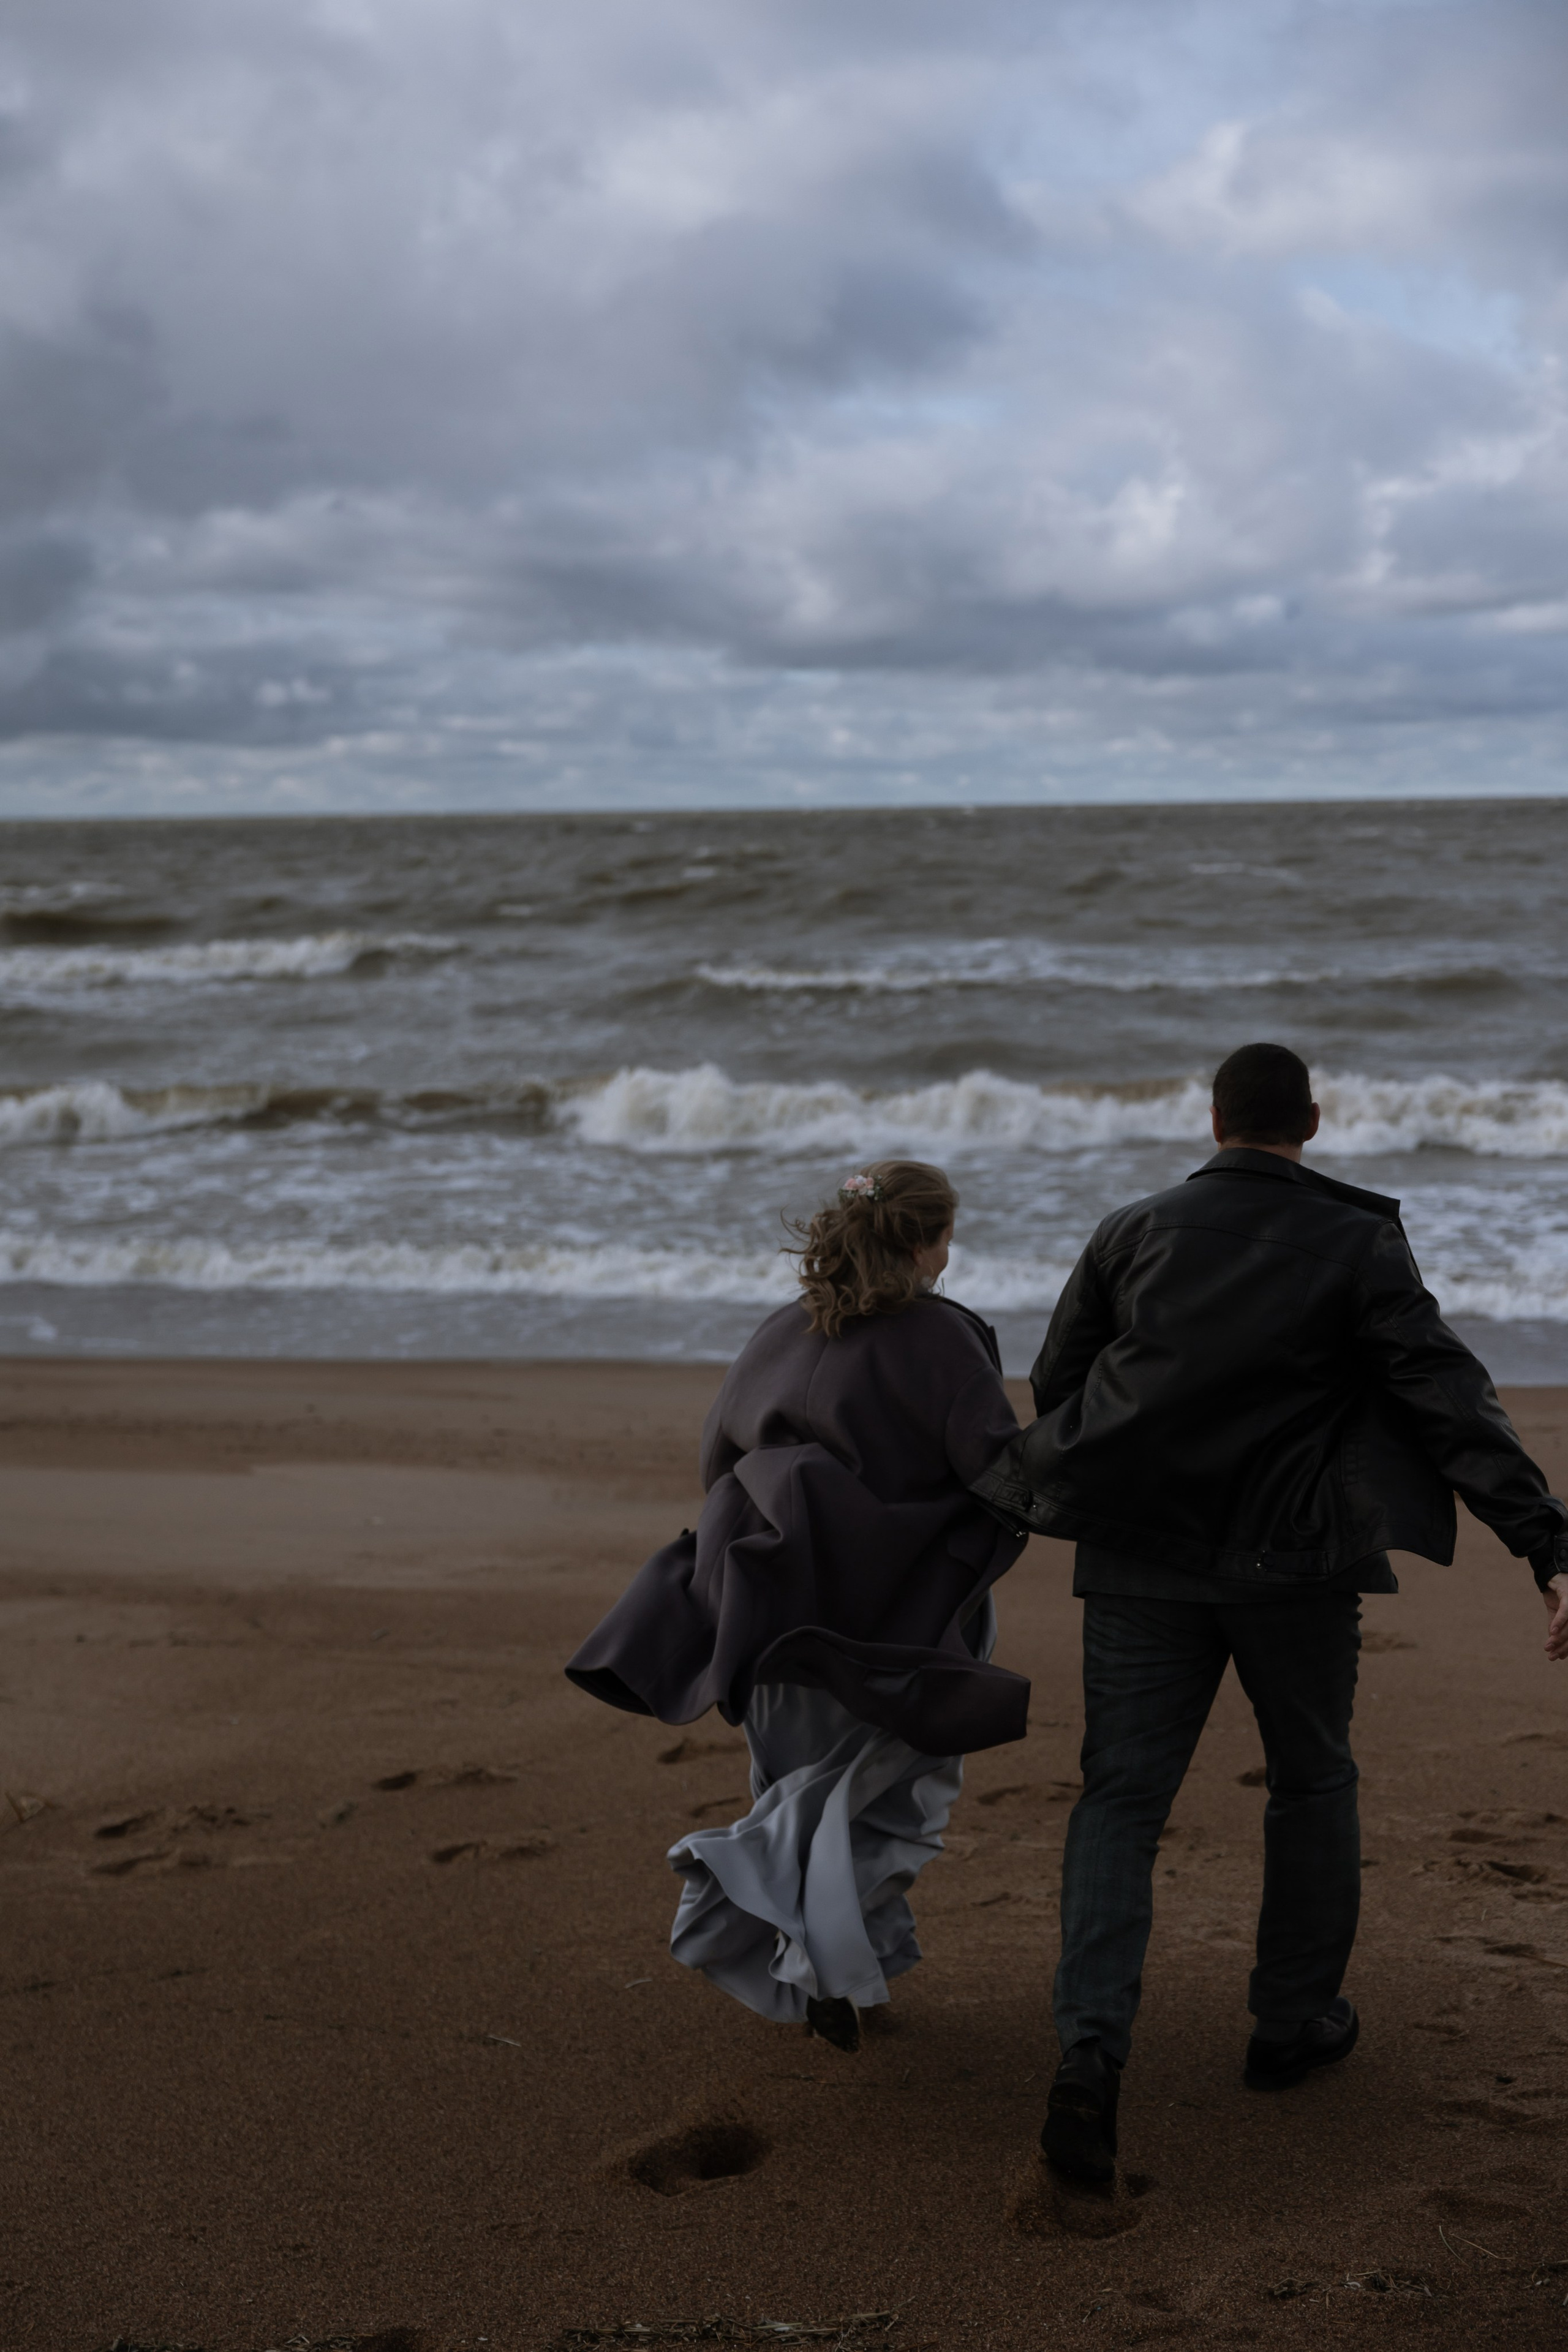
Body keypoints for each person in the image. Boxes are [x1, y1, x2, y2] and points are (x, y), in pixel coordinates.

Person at [972, 1042, 1568, 2181]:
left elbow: (1060, 1382)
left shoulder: (1132, 1229)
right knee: (1313, 1780)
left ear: (1211, 1122)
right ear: (1314, 1122)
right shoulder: (1357, 1240)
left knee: (1121, 1804)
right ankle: (1290, 2027)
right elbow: (1448, 1399)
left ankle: (1090, 2063)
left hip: (1142, 1559)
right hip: (1297, 1571)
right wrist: (1544, 1542)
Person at [565, 1159, 1028, 2051]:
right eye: (944, 1233)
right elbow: (998, 1473)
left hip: (765, 1603)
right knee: (900, 1793)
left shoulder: (782, 1329)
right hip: (894, 1617)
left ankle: (855, 1978)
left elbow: (717, 1457)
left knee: (801, 1779)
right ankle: (742, 1871)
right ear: (926, 1245)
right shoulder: (943, 1339)